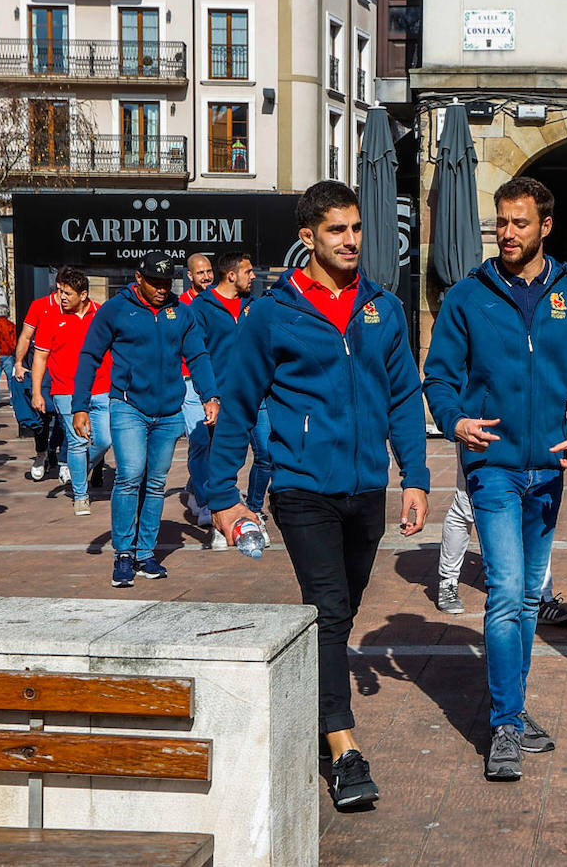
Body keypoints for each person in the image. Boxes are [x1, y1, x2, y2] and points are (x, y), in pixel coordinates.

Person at [210, 181, 429, 810]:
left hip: (367, 488)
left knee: (342, 611)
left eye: (356, 228)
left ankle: (314, 705)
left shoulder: (382, 308)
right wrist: (223, 494)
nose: (352, 241)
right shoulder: (272, 314)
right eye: (337, 230)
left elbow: (403, 399)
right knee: (330, 608)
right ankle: (344, 747)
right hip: (303, 487)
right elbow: (240, 403)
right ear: (307, 237)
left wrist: (414, 476)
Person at [423, 176, 567, 779]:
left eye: (519, 223)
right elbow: (439, 376)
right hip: (494, 468)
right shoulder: (466, 297)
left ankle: (515, 705)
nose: (506, 233)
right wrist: (454, 421)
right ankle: (505, 723)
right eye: (501, 222)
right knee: (507, 589)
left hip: (549, 471)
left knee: (530, 595)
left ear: (545, 227)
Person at [74, 251, 218, 587]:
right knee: (130, 474)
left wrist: (210, 395)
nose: (161, 288)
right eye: (155, 282)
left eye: (167, 282)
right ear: (139, 278)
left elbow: (197, 354)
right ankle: (123, 554)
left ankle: (145, 554)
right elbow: (90, 355)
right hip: (128, 406)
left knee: (155, 483)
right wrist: (80, 405)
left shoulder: (181, 312)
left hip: (169, 411)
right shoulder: (116, 309)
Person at [435, 447, 567, 625]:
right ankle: (448, 581)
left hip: (535, 437)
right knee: (466, 505)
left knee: (537, 513)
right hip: (483, 432)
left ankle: (541, 596)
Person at [189, 251, 273, 550]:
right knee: (221, 462)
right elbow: (197, 353)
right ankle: (221, 515)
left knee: (266, 453)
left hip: (258, 394)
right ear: (232, 275)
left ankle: (252, 507)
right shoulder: (201, 307)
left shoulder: (256, 305)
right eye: (248, 271)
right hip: (223, 399)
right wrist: (209, 395)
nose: (254, 276)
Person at [30, 269, 113, 516]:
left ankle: (79, 469)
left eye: (67, 293)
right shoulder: (51, 317)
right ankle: (80, 494)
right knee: (77, 443)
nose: (61, 297)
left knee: (104, 440)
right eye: (59, 291)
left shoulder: (102, 314)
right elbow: (41, 357)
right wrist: (37, 392)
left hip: (102, 388)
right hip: (65, 390)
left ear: (83, 294)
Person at [12, 279, 66, 480]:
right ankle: (41, 452)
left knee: (64, 416)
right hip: (40, 371)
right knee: (41, 417)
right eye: (63, 288)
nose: (65, 295)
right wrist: (18, 363)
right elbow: (26, 336)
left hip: (64, 372)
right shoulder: (40, 306)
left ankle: (59, 454)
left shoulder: (76, 307)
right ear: (57, 285)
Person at [179, 252, 215, 524]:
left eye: (209, 271)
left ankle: (193, 489)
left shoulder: (217, 301)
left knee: (212, 444)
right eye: (200, 272)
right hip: (188, 382)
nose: (206, 276)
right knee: (200, 440)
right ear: (189, 276)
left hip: (215, 381)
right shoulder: (180, 306)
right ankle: (205, 502)